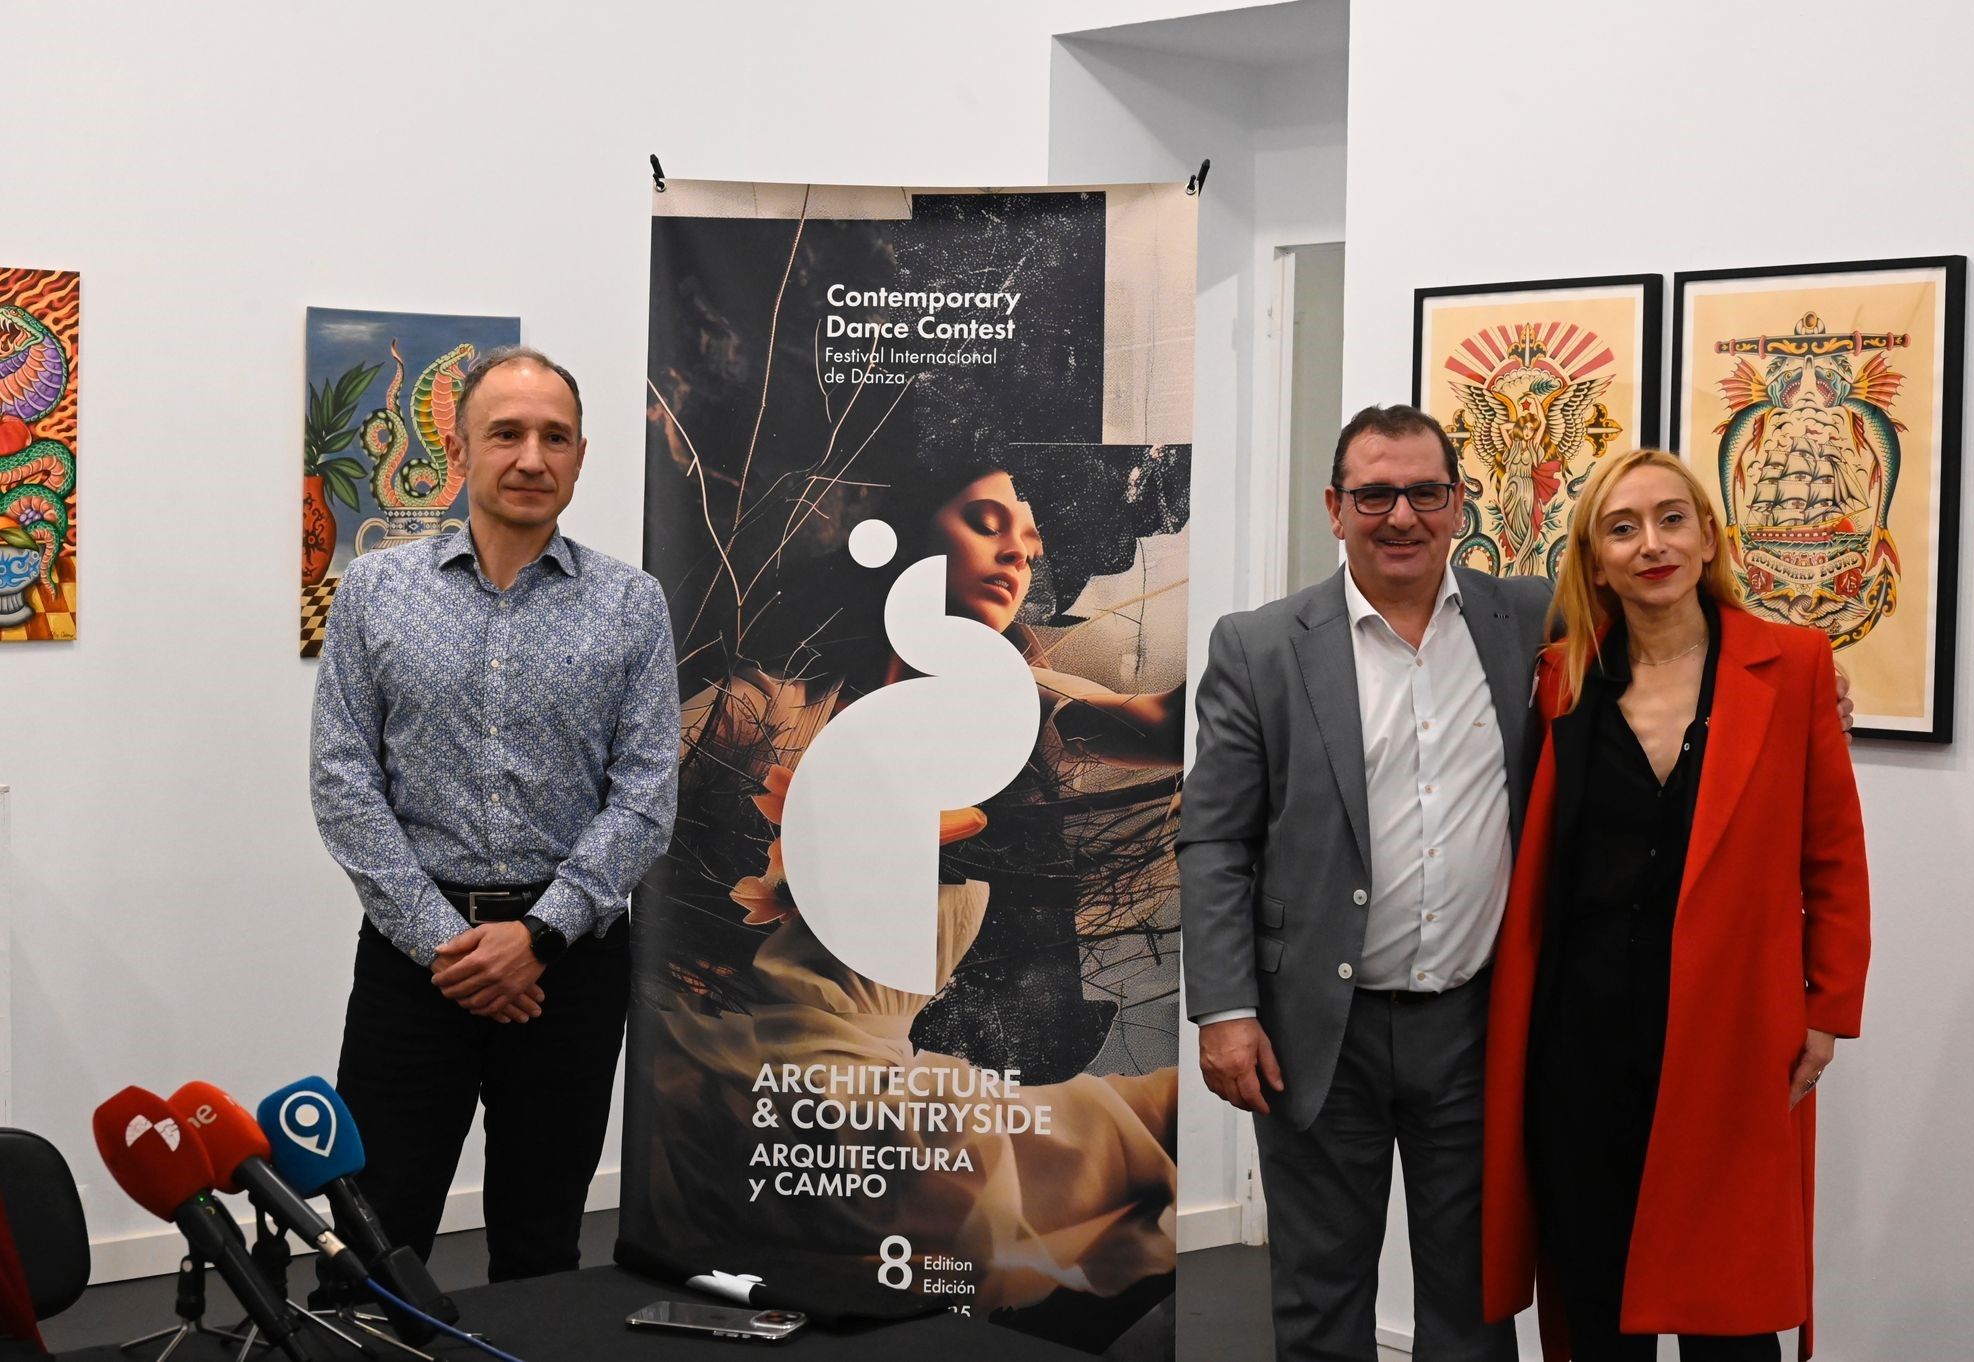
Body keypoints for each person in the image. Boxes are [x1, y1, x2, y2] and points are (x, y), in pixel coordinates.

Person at [634, 454, 1185, 1312]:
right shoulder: (771, 706)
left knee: (1127, 1139)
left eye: (1031, 545)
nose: (1017, 556)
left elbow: (1168, 726)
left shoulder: (1019, 705)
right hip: (740, 1066)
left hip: (873, 1079)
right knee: (1107, 1148)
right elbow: (625, 807)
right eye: (987, 524)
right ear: (916, 531)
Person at [1478, 449, 1870, 1361]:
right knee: (1596, 1292)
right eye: (1622, 527)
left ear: (1707, 537)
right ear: (1594, 556)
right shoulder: (1561, 679)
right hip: (1578, 1036)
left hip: (1728, 1034)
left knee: (1727, 1309)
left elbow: (1834, 861)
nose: (1650, 543)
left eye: (1670, 519)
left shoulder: (1794, 666)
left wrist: (1826, 1013)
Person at [1180, 404, 1548, 1361]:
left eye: (1425, 493)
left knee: (1475, 1305)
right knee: (1319, 1300)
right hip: (1310, 1034)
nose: (1401, 516)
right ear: (1335, 508)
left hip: (1474, 1028)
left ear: (1458, 503)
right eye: (1376, 495)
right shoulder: (1260, 646)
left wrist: (1809, 676)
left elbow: (1675, 625)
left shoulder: (1531, 623)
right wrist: (1224, 1008)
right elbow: (1214, 841)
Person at [311, 345, 682, 1280]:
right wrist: (450, 944)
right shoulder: (374, 592)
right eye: (506, 433)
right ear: (459, 446)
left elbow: (645, 798)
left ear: (582, 455)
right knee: (371, 1235)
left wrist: (539, 937)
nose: (531, 457)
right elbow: (344, 782)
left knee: (543, 1237)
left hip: (571, 973)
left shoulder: (631, 605)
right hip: (412, 966)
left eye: (554, 437)